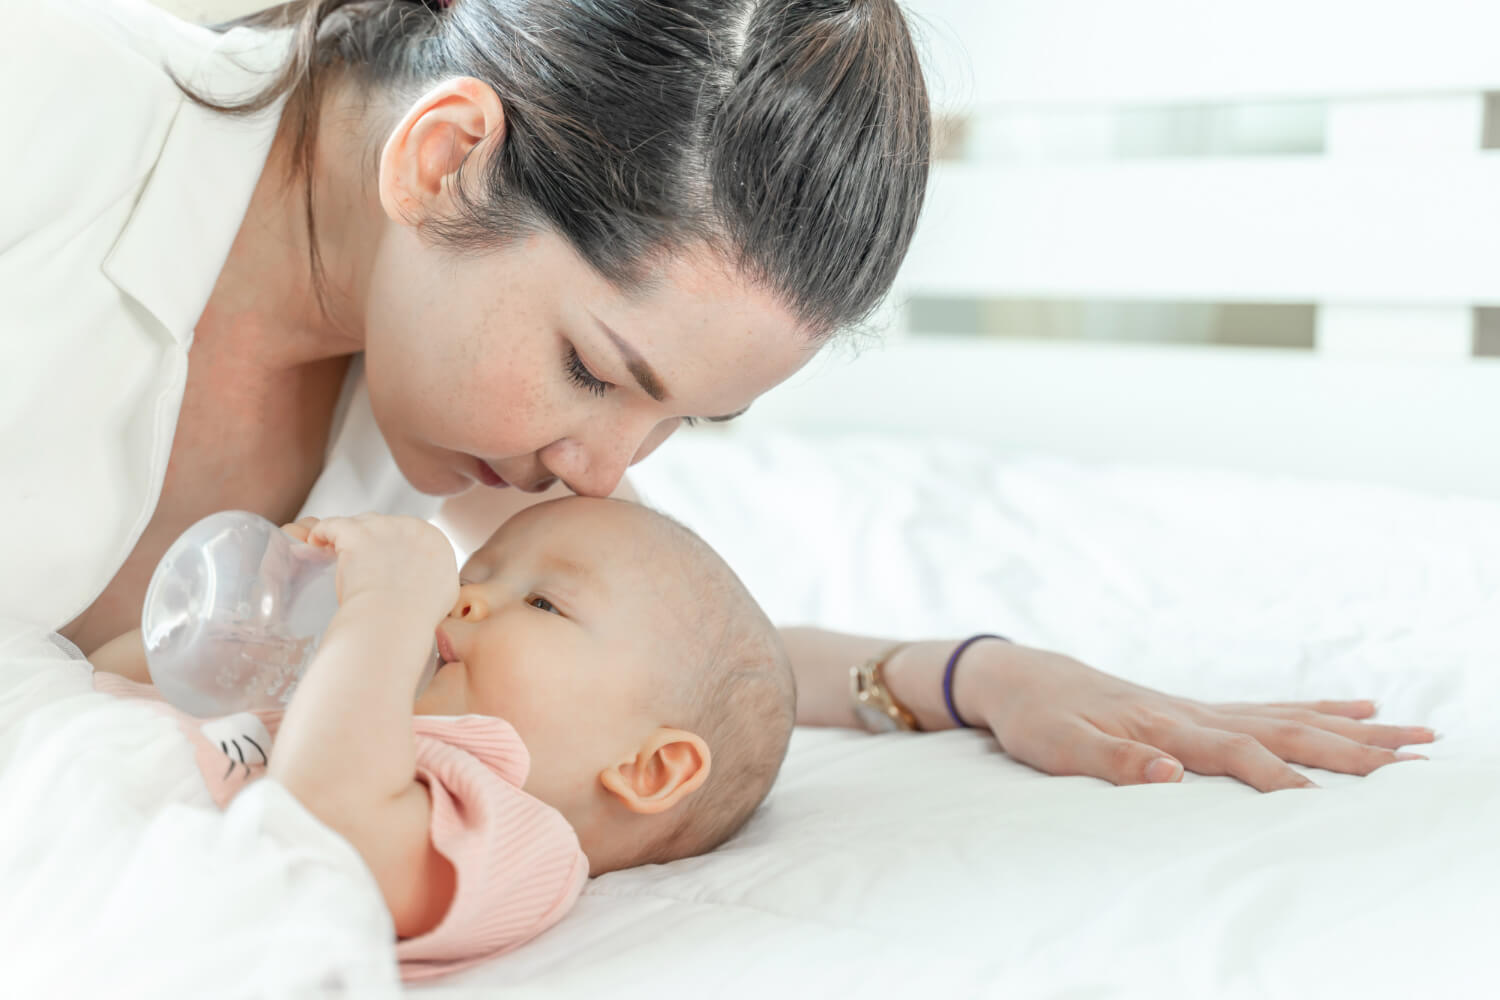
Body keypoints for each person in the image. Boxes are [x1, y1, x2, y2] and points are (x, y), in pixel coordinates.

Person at [1, 0, 1432, 798]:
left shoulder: (449, 402)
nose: (608, 473)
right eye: (598, 371)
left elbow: (624, 656)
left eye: (684, 423)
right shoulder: (44, 112)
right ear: (444, 162)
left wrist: (967, 673)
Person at [89, 497, 797, 979]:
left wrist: (385, 608)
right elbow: (104, 680)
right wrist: (263, 610)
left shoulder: (528, 846)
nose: (463, 598)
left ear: (651, 768)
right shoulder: (355, 706)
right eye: (470, 574)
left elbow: (322, 828)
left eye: (543, 602)